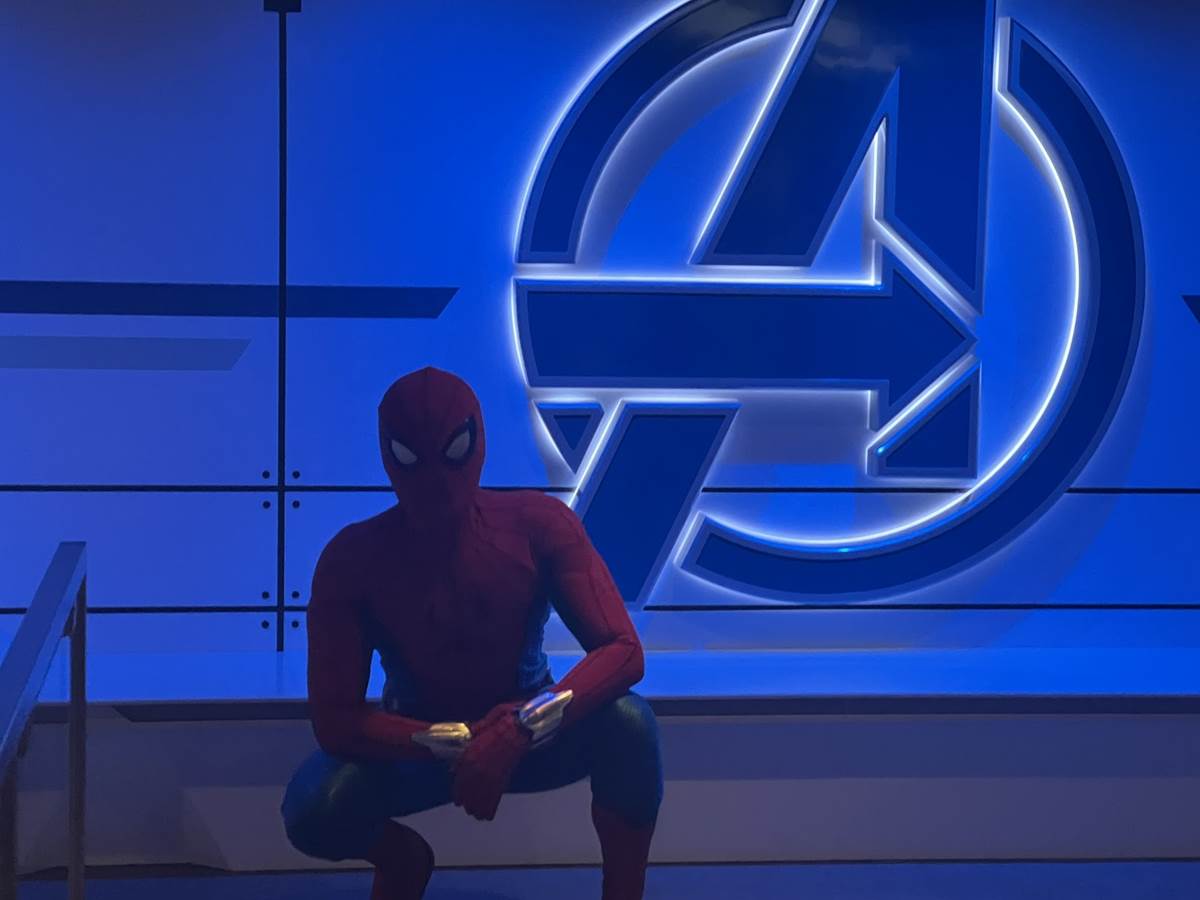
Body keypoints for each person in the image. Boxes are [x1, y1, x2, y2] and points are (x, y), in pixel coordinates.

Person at [280, 366, 663, 900]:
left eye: (451, 452)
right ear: (388, 454)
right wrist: (456, 742)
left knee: (631, 725)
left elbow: (623, 652)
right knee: (315, 808)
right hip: (421, 750)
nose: (435, 482)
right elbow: (334, 719)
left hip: (528, 739)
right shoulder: (352, 561)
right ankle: (403, 862)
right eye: (412, 457)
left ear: (477, 442)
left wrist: (522, 727)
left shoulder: (539, 525)